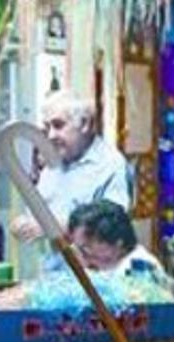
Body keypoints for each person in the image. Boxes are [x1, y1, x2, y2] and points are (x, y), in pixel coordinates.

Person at [11, 90, 131, 245]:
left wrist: (56, 227)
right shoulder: (52, 165)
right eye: (48, 127)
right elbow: (36, 216)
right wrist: (22, 225)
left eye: (58, 125)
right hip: (50, 267)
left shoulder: (111, 165)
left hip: (89, 268)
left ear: (84, 124)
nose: (51, 135)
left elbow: (113, 226)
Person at [66, 199, 162, 275]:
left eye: (87, 247)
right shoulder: (101, 266)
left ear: (117, 242)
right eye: (78, 248)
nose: (82, 256)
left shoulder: (140, 268)